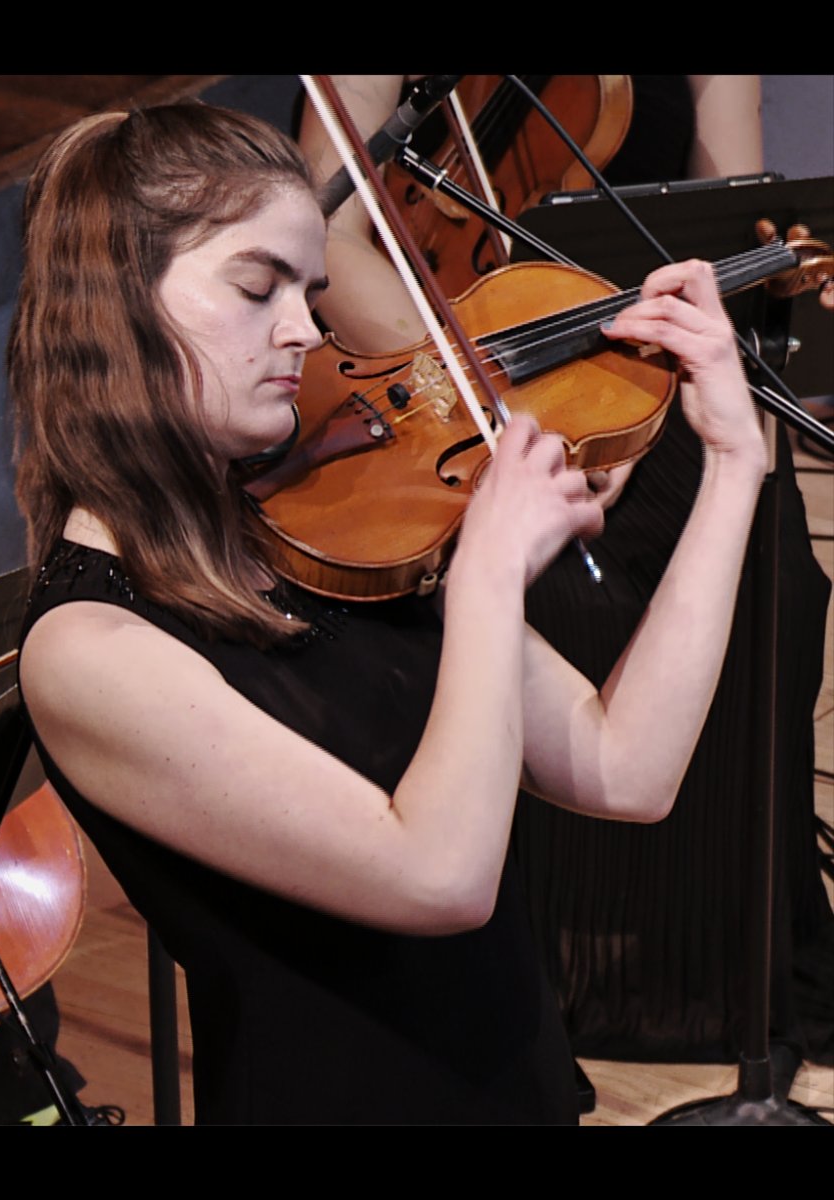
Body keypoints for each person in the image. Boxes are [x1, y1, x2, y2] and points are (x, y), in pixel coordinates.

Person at [9, 102, 767, 1124]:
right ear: (116, 302)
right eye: (255, 286)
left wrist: (735, 463)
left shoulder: (322, 529)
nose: (304, 331)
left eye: (309, 290)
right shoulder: (87, 647)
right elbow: (438, 878)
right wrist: (489, 575)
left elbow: (629, 767)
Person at [299, 75, 833, 1069]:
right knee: (561, 603)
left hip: (631, 358)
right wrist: (486, 392)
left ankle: (726, 968)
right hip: (456, 361)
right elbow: (326, 238)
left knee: (780, 589)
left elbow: (720, 213)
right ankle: (558, 969)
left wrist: (663, 378)